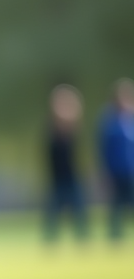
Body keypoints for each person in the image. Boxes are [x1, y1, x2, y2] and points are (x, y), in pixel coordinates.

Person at [44, 84, 88, 243]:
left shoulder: (73, 131)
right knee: (54, 211)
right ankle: (50, 239)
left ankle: (82, 237)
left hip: (72, 176)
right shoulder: (52, 131)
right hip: (58, 178)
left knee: (79, 209)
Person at [98, 78, 134, 241]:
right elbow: (103, 149)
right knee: (117, 205)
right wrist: (105, 172)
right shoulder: (109, 121)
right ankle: (115, 236)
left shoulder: (131, 119)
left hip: (131, 169)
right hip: (116, 170)